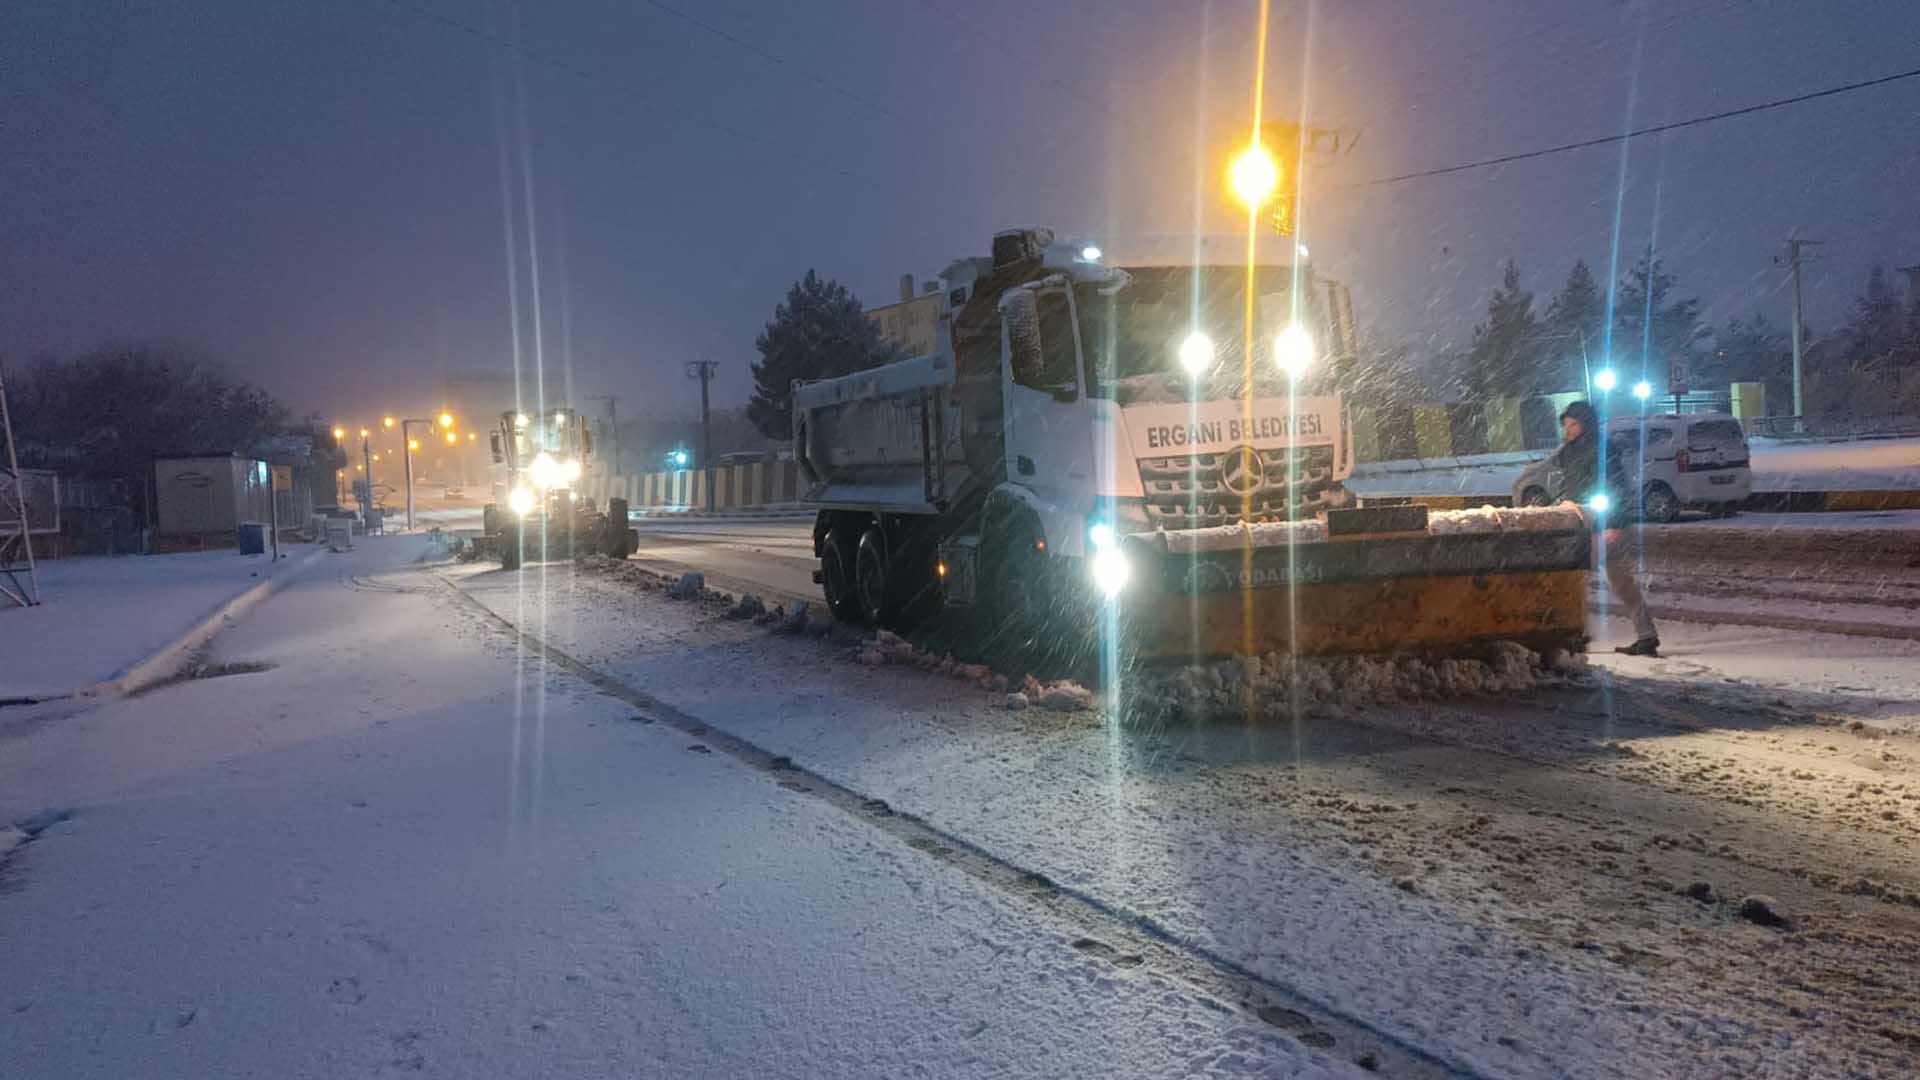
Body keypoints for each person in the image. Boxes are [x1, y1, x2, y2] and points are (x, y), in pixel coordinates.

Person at [1543, 400, 1660, 657]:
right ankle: (1646, 635)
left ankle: (1575, 635)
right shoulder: (1571, 451)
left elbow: (1616, 486)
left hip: (1601, 523)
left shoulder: (1601, 449)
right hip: (1587, 520)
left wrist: (1615, 524)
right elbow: (1574, 482)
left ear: (1586, 424)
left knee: (1575, 579)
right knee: (1620, 582)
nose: (1569, 430)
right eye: (1566, 425)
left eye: (1573, 424)